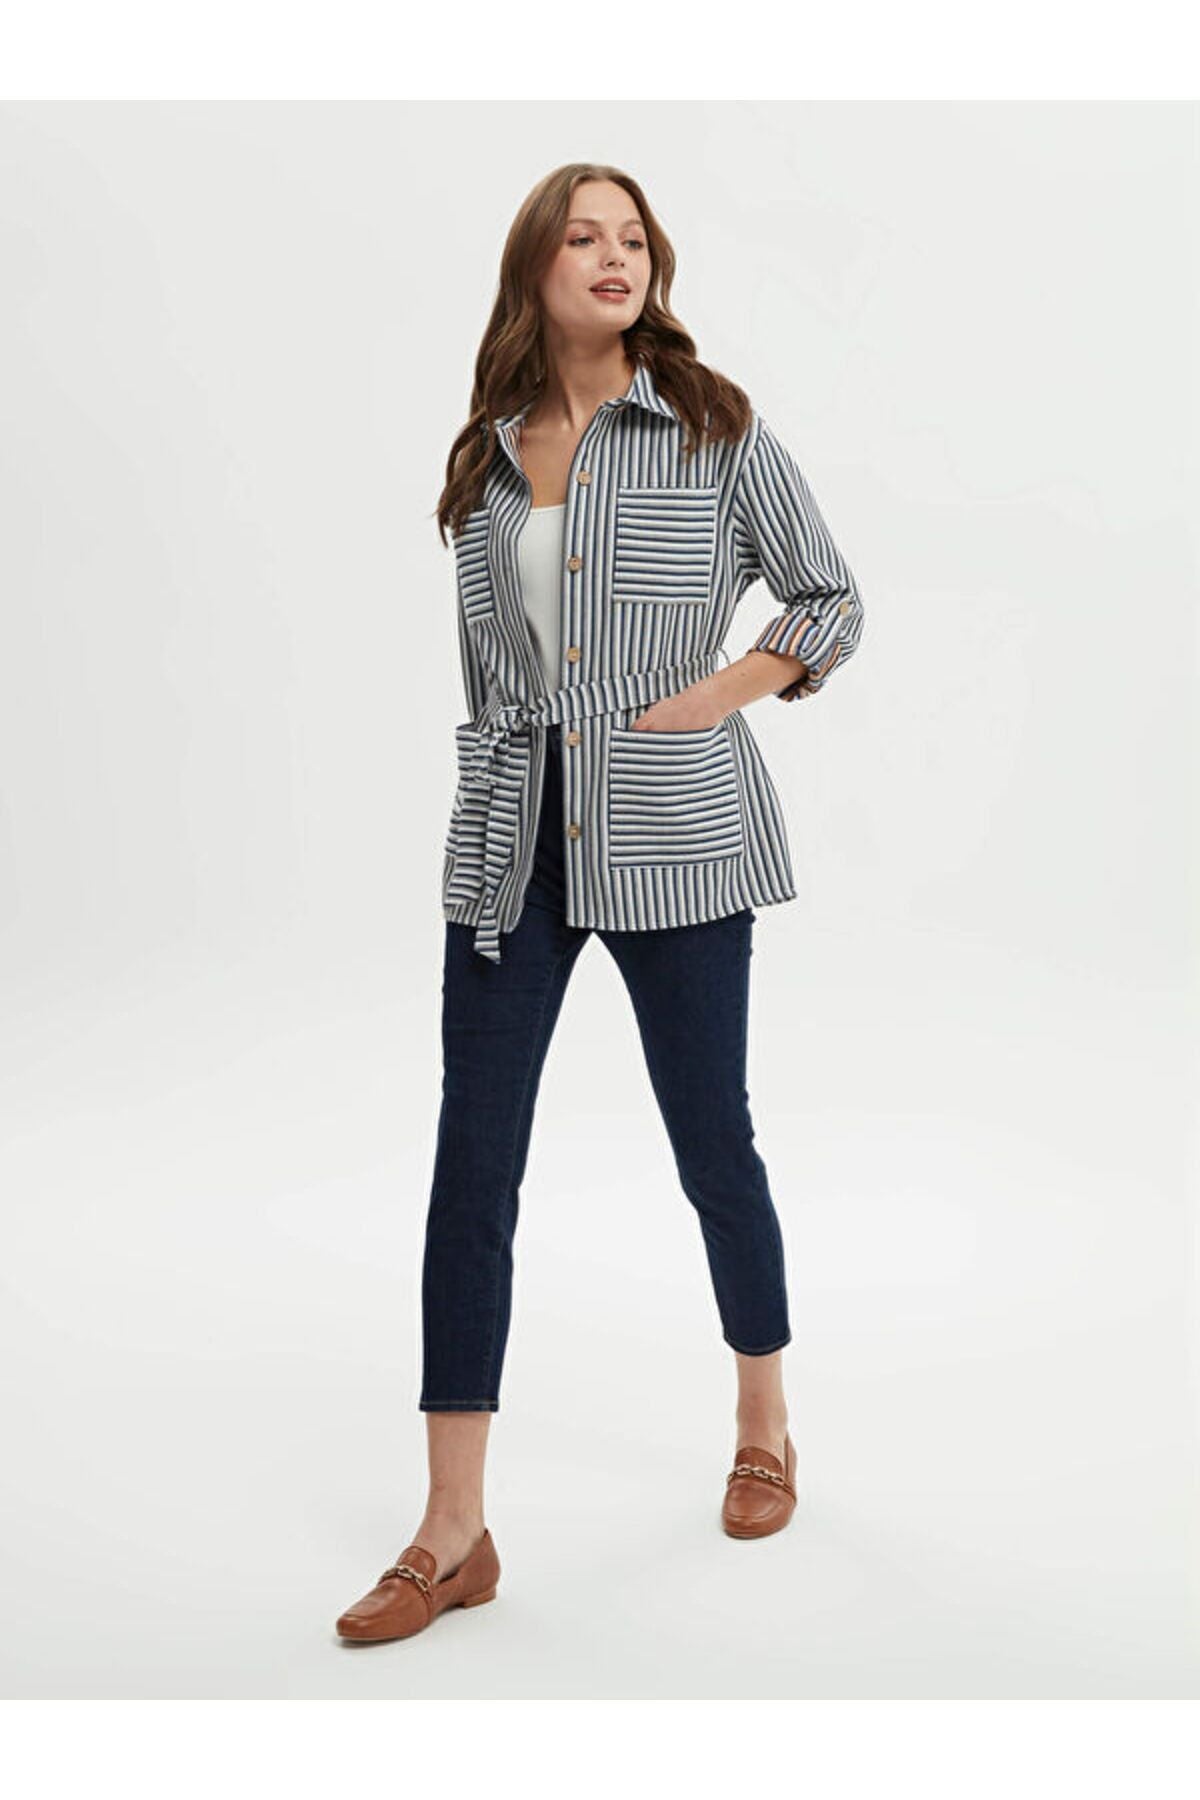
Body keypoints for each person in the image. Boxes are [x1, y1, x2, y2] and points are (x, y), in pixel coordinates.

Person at [335, 162, 865, 1644]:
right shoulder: (489, 454)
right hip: (515, 847)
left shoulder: (711, 427)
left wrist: (716, 694)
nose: (614, 257)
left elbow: (830, 597)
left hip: (675, 836)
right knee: (472, 1169)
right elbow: (491, 670)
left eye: (634, 239)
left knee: (712, 1142)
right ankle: (453, 1533)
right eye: (584, 237)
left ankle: (763, 1423)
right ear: (537, 267)